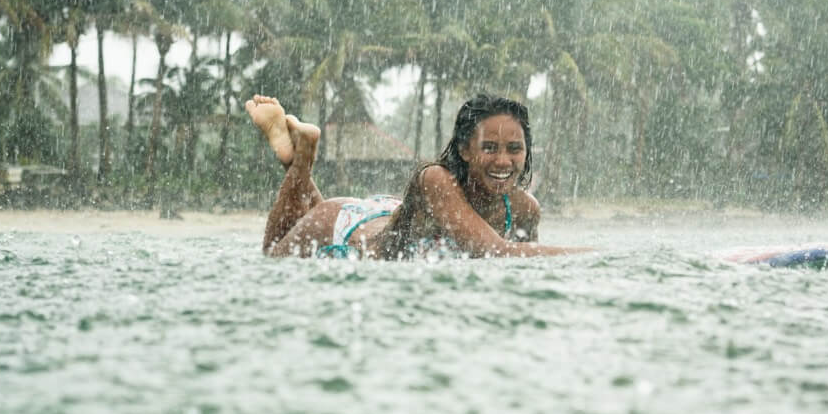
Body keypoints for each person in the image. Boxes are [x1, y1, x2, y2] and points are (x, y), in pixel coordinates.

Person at [246, 93, 590, 259]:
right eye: (490, 148)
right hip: (345, 226)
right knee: (272, 256)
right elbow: (495, 251)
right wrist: (590, 255)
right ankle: (304, 155)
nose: (503, 160)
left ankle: (291, 154)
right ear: (465, 150)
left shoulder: (526, 208)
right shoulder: (435, 180)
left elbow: (522, 265)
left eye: (514, 148)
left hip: (385, 214)